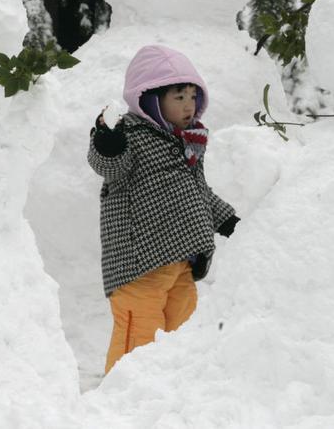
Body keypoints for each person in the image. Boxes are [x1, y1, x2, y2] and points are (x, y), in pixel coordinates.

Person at [87, 44, 240, 374]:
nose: (189, 106)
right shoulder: (131, 134)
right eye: (178, 97)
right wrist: (107, 143)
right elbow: (109, 166)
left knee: (180, 332)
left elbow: (196, 191)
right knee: (139, 335)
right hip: (139, 264)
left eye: (192, 96)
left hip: (181, 261)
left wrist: (226, 219)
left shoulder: (186, 141)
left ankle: (170, 393)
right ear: (151, 99)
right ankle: (121, 401)